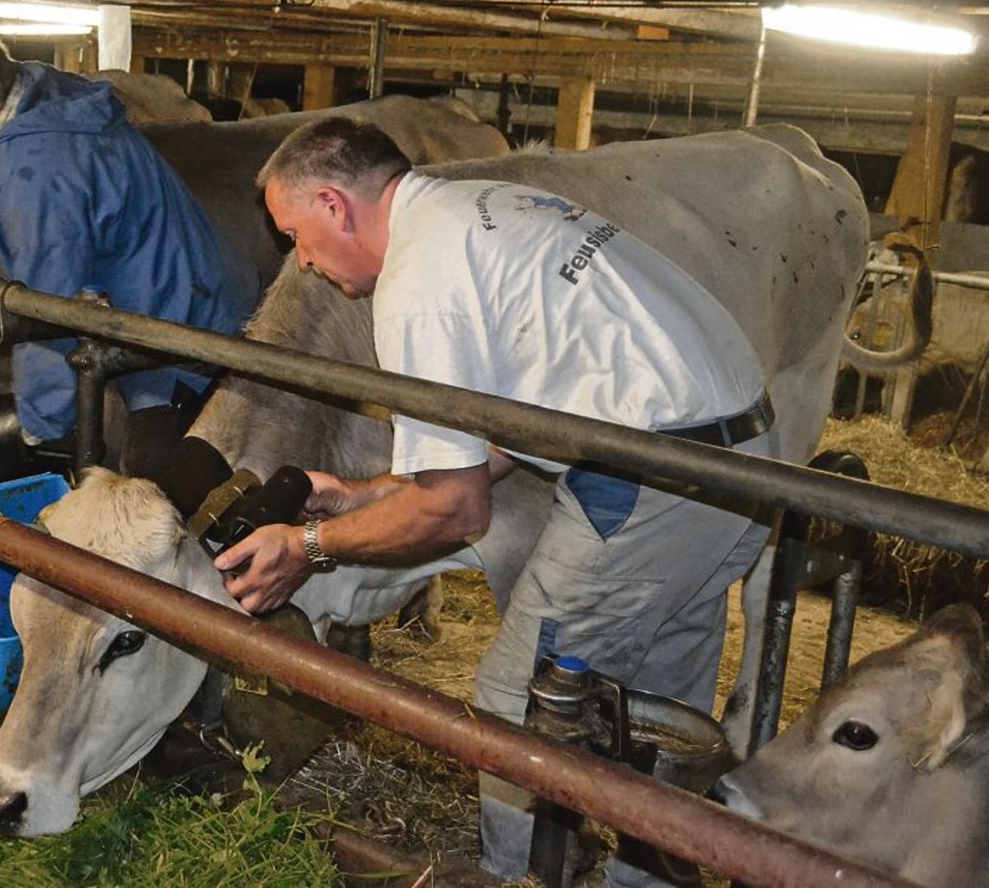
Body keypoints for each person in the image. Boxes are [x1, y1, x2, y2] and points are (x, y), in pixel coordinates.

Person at [213, 117, 775, 885]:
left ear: (334, 205)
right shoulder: (478, 210)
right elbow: (511, 421)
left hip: (654, 478)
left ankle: (521, 879)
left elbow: (455, 511)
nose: (302, 262)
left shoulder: (419, 280)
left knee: (514, 704)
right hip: (744, 459)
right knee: (659, 708)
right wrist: (364, 494)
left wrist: (307, 549)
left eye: (297, 235)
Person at [0, 25, 257, 479]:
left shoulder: (32, 179)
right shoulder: (41, 90)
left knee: (146, 480)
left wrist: (37, 429)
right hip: (208, 280)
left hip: (184, 332)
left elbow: (47, 309)